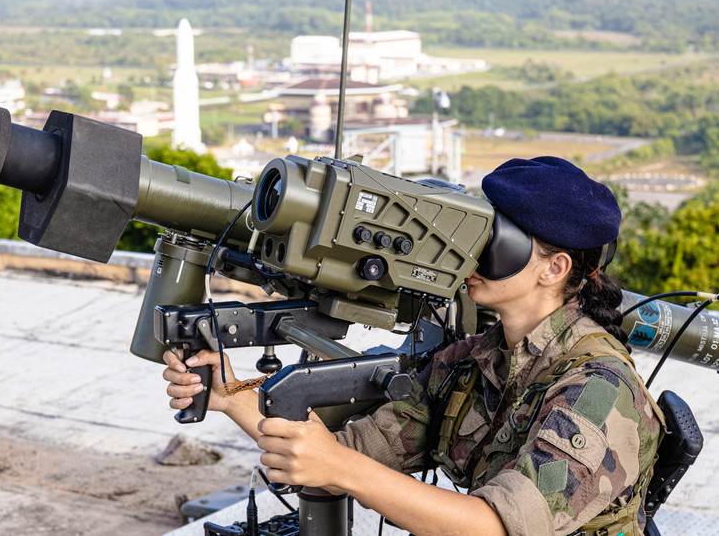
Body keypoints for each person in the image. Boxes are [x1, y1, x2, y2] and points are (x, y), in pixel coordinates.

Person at [162, 157, 663, 535]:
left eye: (497, 239)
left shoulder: (599, 390)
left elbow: (494, 526)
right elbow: (345, 454)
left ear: (554, 269)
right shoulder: (477, 361)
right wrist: (231, 395)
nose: (473, 253)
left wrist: (341, 468)